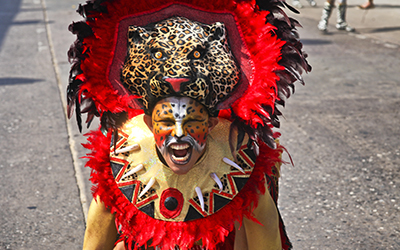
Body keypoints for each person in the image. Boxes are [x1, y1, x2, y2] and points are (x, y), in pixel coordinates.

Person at [66, 0, 311, 249]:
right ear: (149, 125)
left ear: (212, 125)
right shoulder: (123, 161)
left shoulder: (241, 167)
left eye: (193, 122)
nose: (180, 133)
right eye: (166, 123)